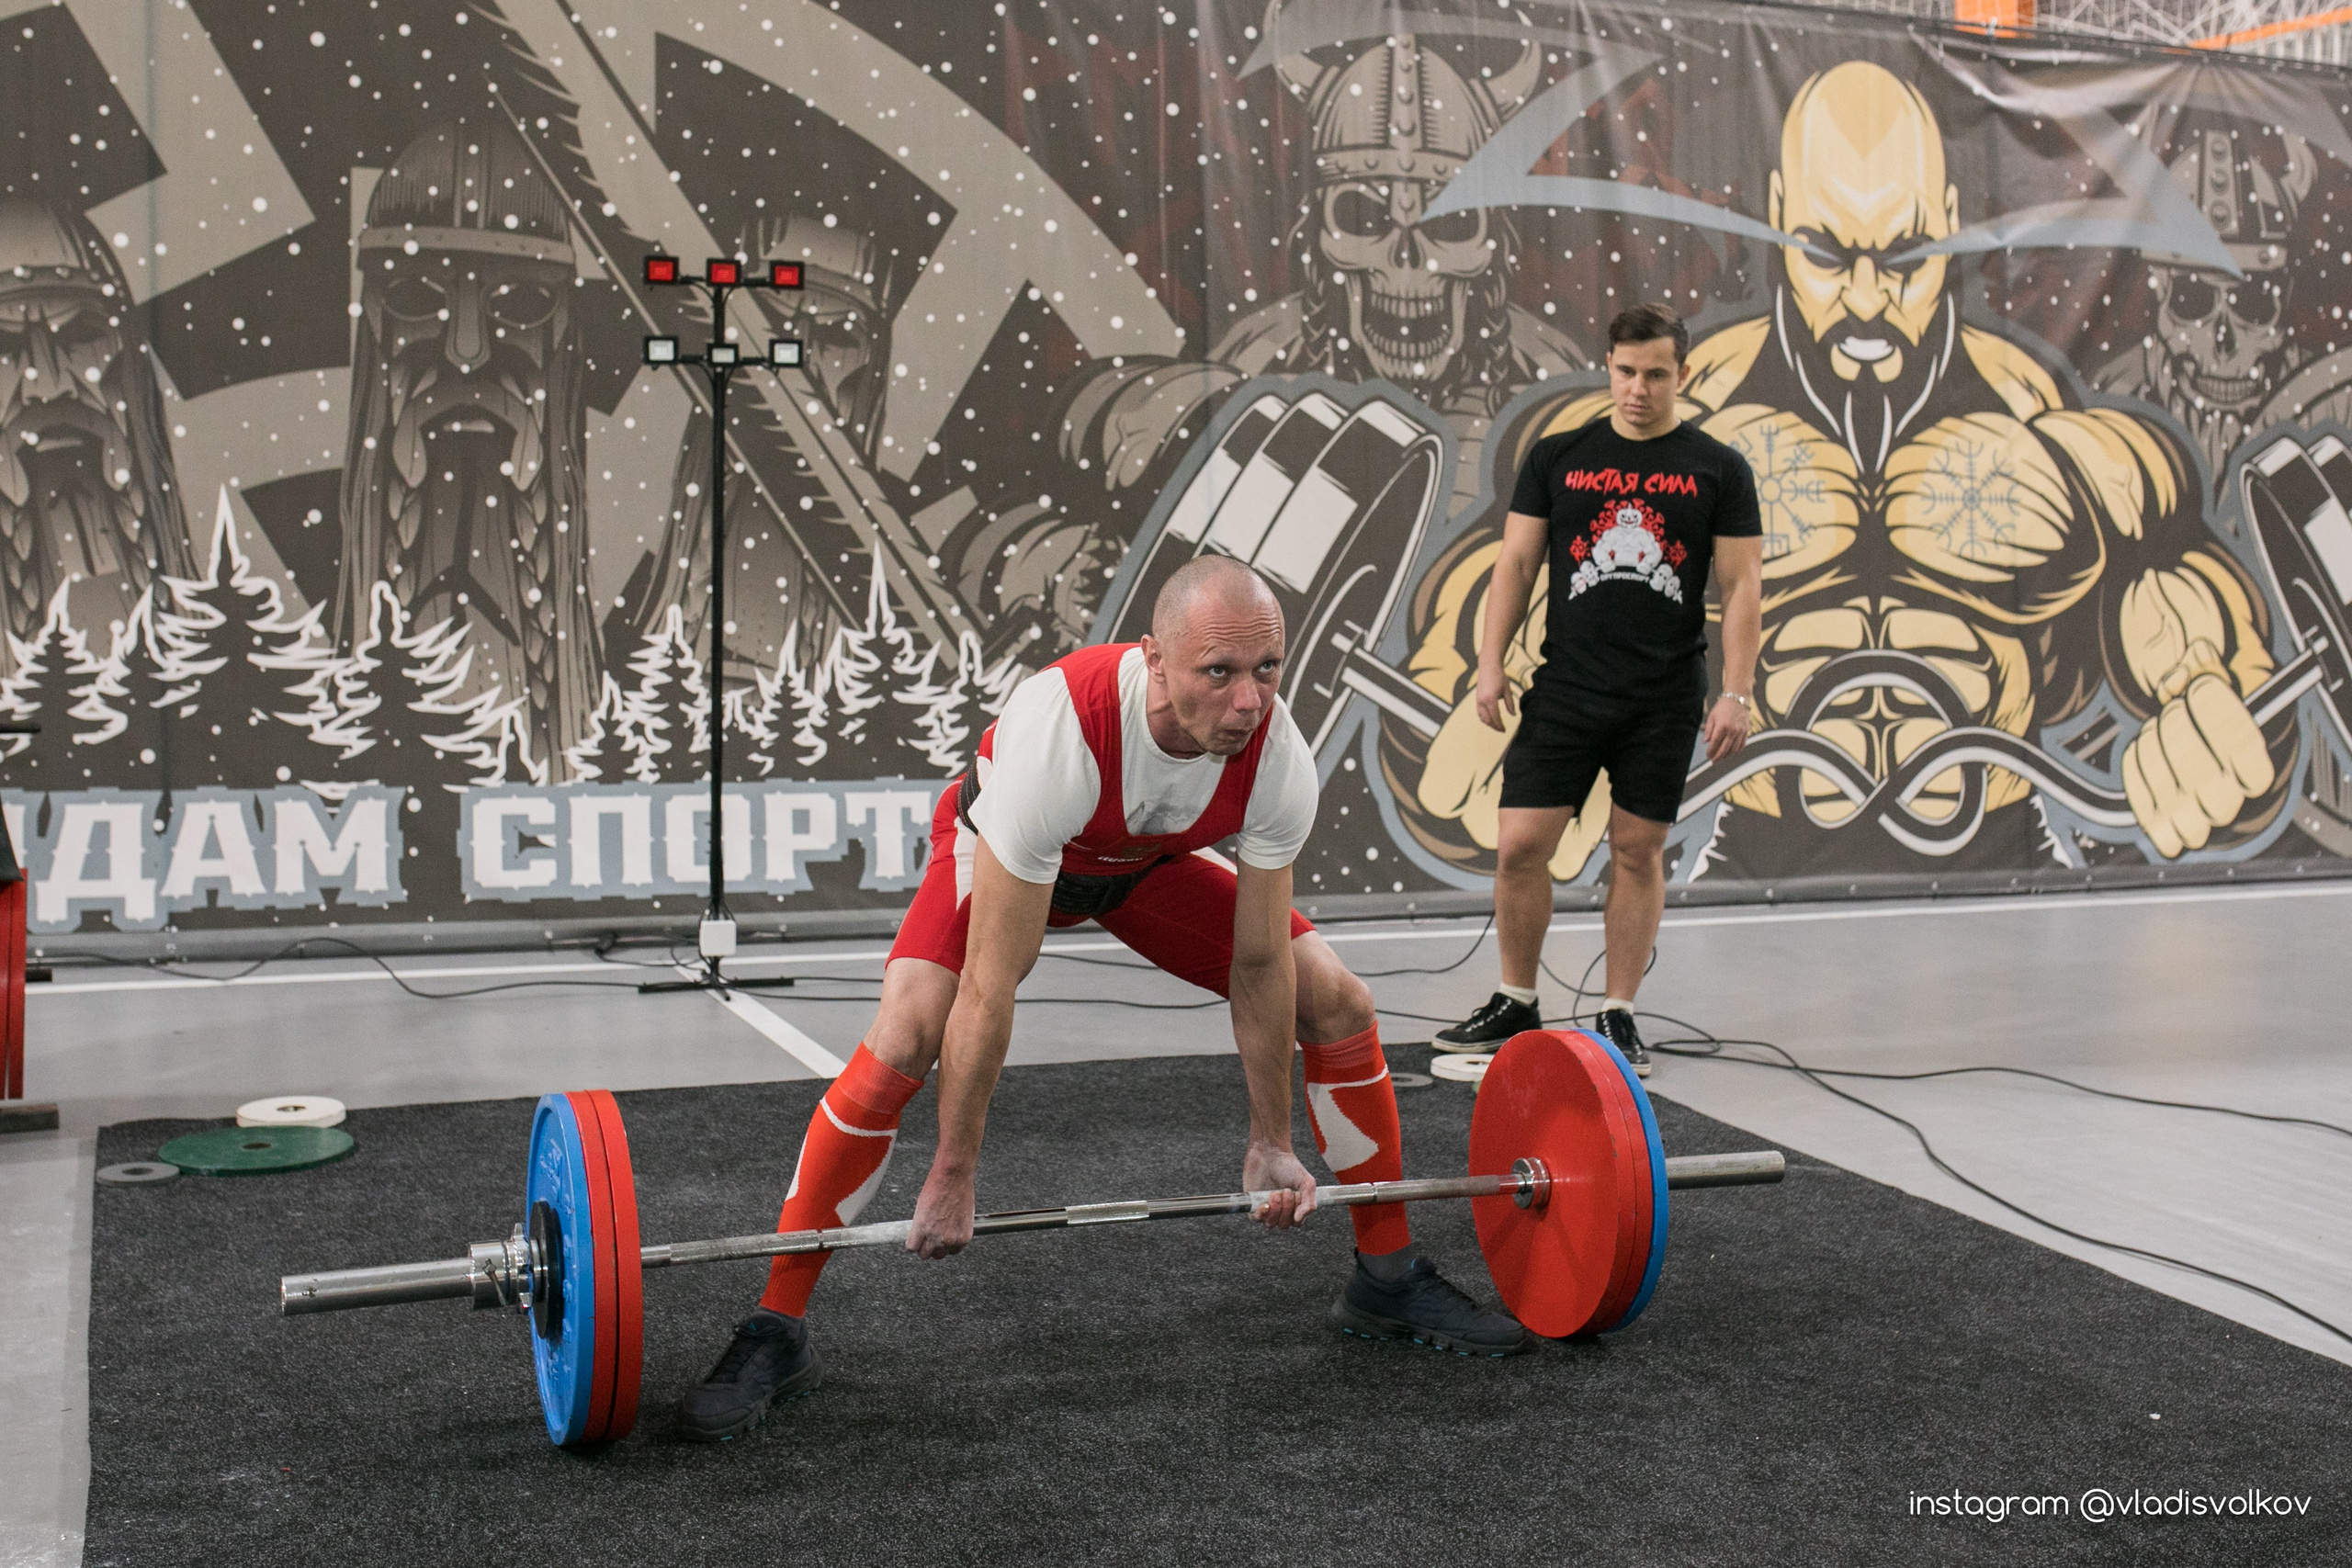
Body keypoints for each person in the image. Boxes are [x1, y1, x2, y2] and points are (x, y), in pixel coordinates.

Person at [678, 557, 1528, 1440]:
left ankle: (1386, 1275)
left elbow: (1260, 964)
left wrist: (1270, 1140)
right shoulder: (1066, 732)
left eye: (1267, 669)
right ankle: (775, 1326)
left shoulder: (1276, 756)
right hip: (1003, 852)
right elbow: (991, 982)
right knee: (904, 1035)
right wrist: (955, 1170)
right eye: (1220, 672)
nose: (1249, 700)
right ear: (1155, 660)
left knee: (1339, 1002)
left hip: (1142, 869)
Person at [1434, 302, 1763, 1074]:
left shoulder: (1717, 467)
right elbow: (1513, 565)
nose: (1638, 389)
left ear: (1682, 375)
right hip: (1567, 687)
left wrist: (1738, 693)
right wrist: (1489, 663)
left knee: (1636, 850)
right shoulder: (1558, 455)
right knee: (1519, 846)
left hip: (1662, 695)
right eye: (1625, 372)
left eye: (1656, 374)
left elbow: (1742, 585)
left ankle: (1617, 1013)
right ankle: (1516, 1000)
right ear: (1607, 368)